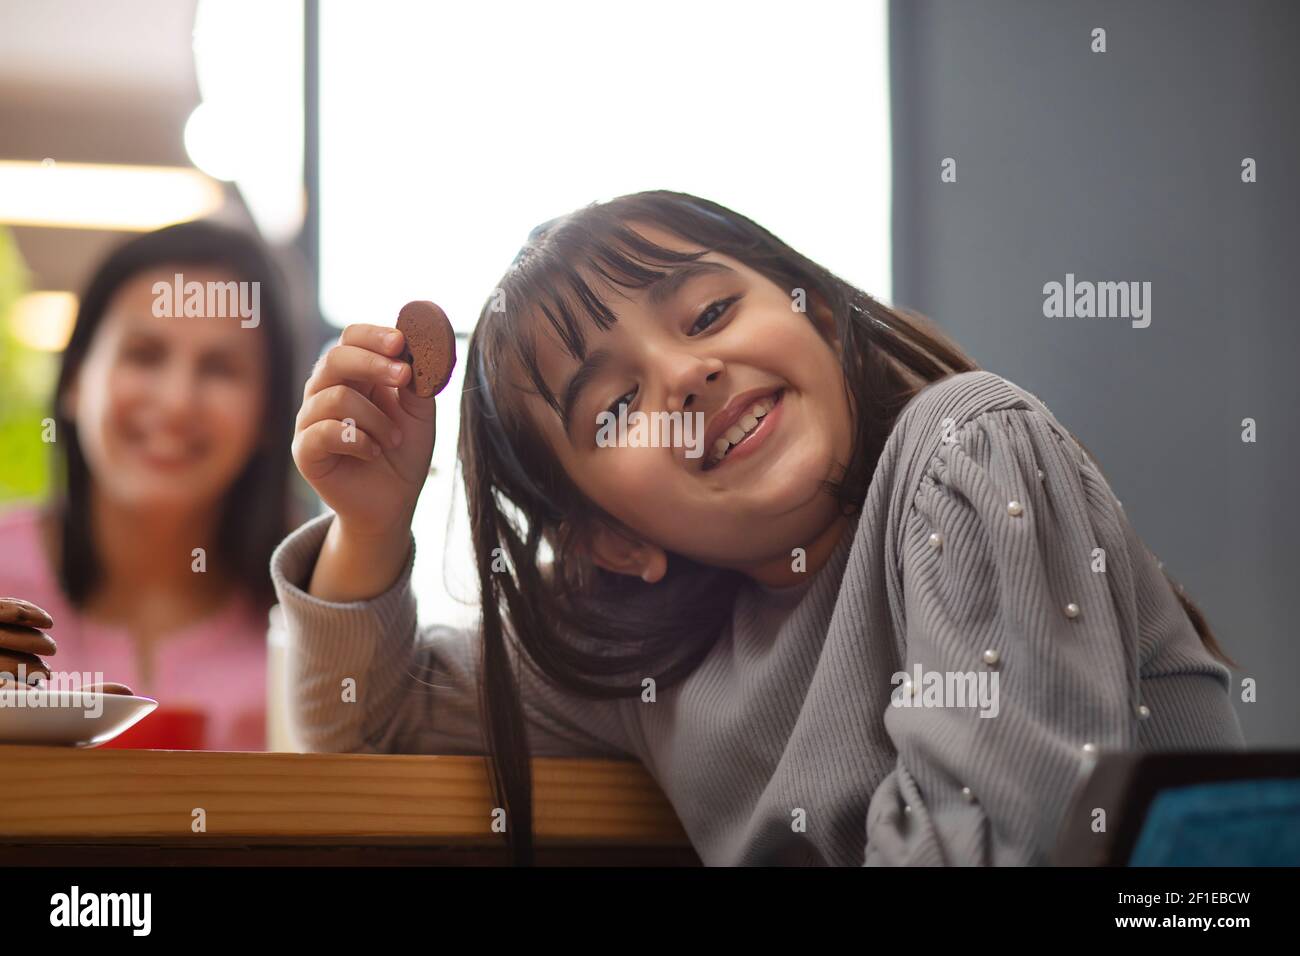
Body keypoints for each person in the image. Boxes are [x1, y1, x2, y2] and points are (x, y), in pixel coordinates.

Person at [271, 190, 1244, 864]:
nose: (687, 375)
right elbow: (371, 725)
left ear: (812, 312)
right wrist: (369, 522)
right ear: (614, 539)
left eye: (710, 312)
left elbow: (991, 850)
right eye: (613, 409)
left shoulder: (970, 450)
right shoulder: (659, 669)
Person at [0, 220, 300, 750]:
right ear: (74, 380)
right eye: (144, 354)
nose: (177, 402)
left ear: (270, 415)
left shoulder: (318, 617)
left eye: (220, 368)